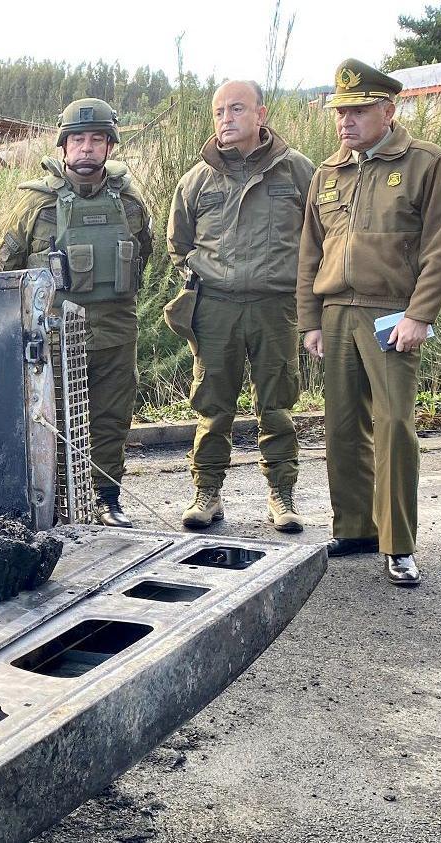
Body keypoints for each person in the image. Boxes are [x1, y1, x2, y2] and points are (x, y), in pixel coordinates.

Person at [296, 59, 441, 586]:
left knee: (393, 426)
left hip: (391, 314)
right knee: (343, 427)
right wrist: (310, 321)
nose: (346, 121)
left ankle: (398, 542)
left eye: (358, 111)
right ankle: (355, 527)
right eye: (341, 112)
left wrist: (420, 315)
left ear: (388, 111)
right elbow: (309, 253)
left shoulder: (424, 163)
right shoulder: (328, 172)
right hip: (337, 311)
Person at [0, 98, 155, 527]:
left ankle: (108, 499)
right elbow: (8, 273)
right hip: (54, 336)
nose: (87, 148)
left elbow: (145, 254)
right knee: (52, 421)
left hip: (116, 332)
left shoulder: (130, 204)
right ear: (64, 147)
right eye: (78, 139)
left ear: (109, 146)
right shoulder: (35, 206)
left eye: (97, 139)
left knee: (111, 419)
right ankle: (57, 504)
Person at [168, 80, 315, 533]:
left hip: (276, 307)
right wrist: (206, 276)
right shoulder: (196, 180)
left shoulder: (297, 172)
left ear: (261, 114)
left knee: (277, 405)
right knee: (213, 407)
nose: (226, 119)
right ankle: (207, 493)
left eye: (236, 109)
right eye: (218, 112)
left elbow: (320, 235)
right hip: (216, 309)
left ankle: (281, 495)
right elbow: (179, 245)